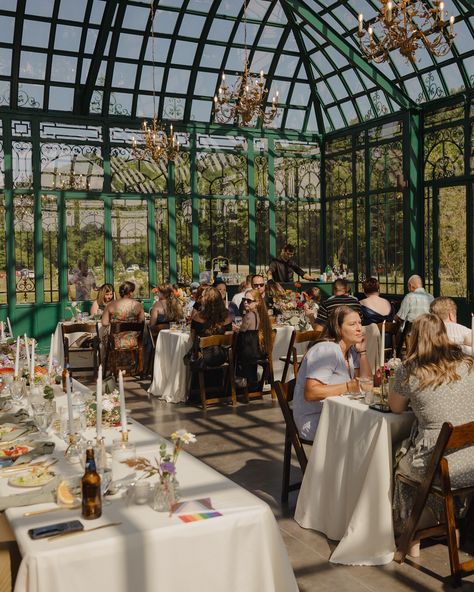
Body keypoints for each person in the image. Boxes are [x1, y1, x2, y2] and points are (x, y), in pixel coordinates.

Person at [389, 314, 474, 540]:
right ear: (444, 336)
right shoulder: (468, 364)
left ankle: (412, 533)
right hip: (472, 458)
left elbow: (395, 408)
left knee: (398, 460)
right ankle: (450, 520)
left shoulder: (409, 370)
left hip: (441, 466)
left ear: (413, 337)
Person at [293, 306, 371, 441]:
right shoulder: (326, 350)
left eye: (360, 323)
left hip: (340, 414)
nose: (359, 328)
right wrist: (347, 387)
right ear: (338, 329)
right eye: (352, 324)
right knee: (368, 433)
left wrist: (362, 352)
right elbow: (311, 392)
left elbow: (366, 384)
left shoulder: (351, 351)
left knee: (374, 428)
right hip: (316, 419)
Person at [235, 288, 273, 388]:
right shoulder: (263, 316)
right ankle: (253, 381)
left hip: (249, 352)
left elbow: (241, 332)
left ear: (257, 303)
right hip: (261, 351)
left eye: (249, 301)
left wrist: (236, 329)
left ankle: (240, 382)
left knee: (233, 352)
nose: (246, 303)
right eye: (244, 300)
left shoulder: (249, 315)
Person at [101, 281, 145, 348]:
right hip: (132, 341)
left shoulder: (110, 305)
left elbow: (104, 323)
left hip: (115, 341)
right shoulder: (138, 305)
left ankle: (111, 358)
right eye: (133, 292)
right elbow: (141, 321)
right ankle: (133, 358)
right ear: (130, 293)